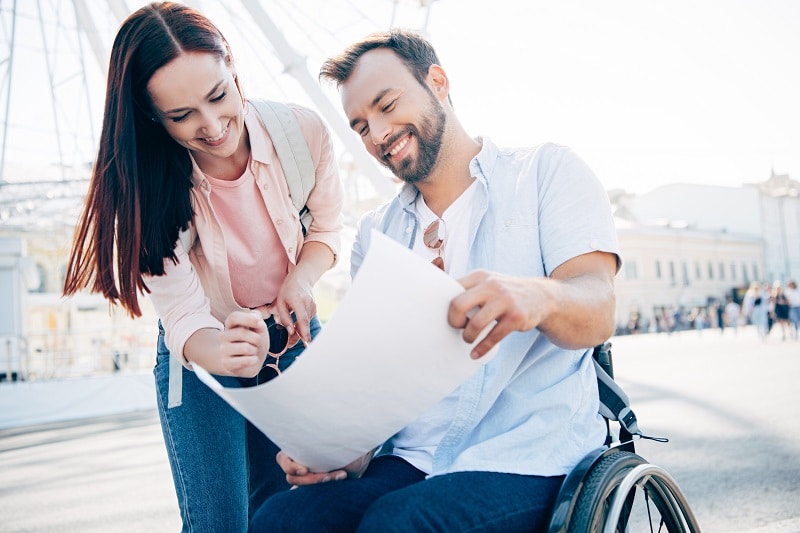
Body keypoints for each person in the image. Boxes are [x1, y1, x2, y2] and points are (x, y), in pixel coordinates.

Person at [250, 29, 619, 532]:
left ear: (439, 82)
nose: (377, 134)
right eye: (360, 126)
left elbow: (598, 304)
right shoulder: (376, 234)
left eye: (386, 105)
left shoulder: (544, 173)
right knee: (282, 519)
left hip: (527, 455)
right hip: (410, 461)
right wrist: (337, 452)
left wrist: (537, 297)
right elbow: (380, 381)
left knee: (401, 523)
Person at [62, 2, 344, 530]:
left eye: (218, 96)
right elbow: (185, 317)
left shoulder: (302, 134)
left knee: (300, 510)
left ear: (232, 67)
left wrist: (299, 280)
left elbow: (327, 230)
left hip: (294, 334)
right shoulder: (146, 190)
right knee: (219, 520)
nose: (212, 126)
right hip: (202, 356)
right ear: (151, 116)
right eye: (181, 116)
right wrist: (229, 351)